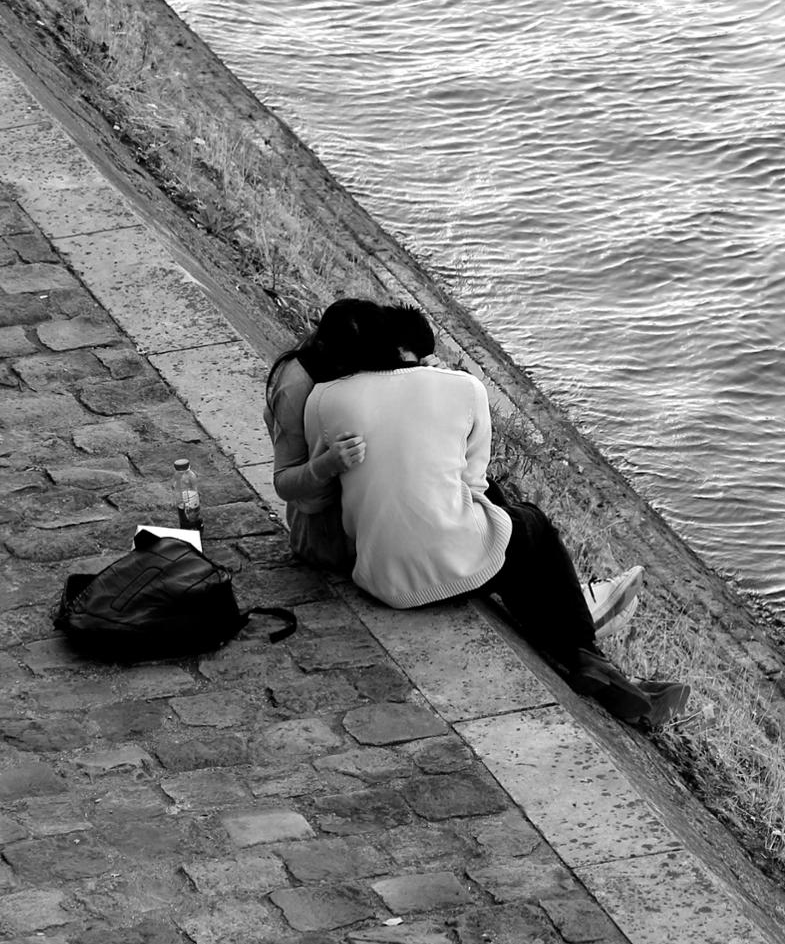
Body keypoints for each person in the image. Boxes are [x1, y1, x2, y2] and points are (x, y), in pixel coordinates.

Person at [301, 323, 687, 730]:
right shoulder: (460, 388)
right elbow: (475, 485)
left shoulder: (325, 398)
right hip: (434, 572)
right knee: (530, 525)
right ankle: (586, 646)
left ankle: (590, 656)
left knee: (509, 546)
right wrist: (442, 392)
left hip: (376, 576)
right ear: (408, 354)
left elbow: (315, 496)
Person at [264, 298, 433, 572]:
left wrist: (426, 378)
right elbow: (284, 483)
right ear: (340, 356)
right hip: (325, 532)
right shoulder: (296, 387)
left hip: (369, 506)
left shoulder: (353, 358)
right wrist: (328, 463)